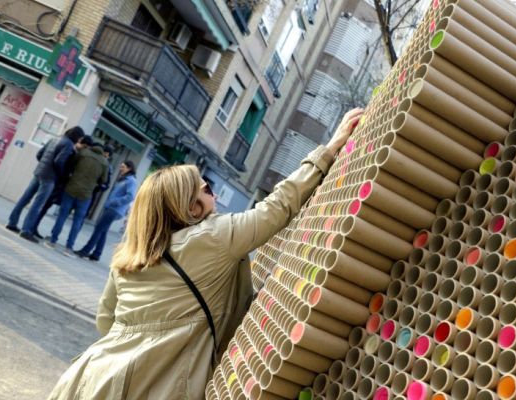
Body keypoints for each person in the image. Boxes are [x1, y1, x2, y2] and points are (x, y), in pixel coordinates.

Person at [48, 108, 363, 400]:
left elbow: (106, 321)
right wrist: (330, 148)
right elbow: (277, 207)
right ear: (189, 207)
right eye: (206, 189)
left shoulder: (128, 257)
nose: (212, 194)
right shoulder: (211, 238)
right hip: (155, 386)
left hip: (91, 377)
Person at [6, 127, 85, 243]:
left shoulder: (54, 139)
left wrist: (44, 165)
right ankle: (26, 230)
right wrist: (62, 175)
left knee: (25, 198)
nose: (78, 141)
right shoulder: (68, 144)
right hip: (49, 178)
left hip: (39, 172)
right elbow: (59, 161)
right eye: (79, 138)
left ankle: (12, 222)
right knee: (38, 204)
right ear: (76, 136)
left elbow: (39, 154)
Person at [45, 140, 109, 256]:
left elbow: (71, 166)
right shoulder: (104, 162)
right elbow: (103, 180)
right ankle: (69, 248)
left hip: (71, 189)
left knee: (62, 216)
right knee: (77, 221)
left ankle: (52, 241)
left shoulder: (83, 153)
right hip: (86, 195)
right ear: (102, 150)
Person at [31, 135, 94, 239]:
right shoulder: (70, 150)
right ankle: (32, 227)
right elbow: (61, 164)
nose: (85, 150)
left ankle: (34, 227)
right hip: (56, 182)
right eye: (85, 147)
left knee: (46, 206)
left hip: (59, 184)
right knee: (44, 206)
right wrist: (65, 175)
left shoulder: (75, 152)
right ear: (83, 144)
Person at [76, 160, 137, 262]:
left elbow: (130, 196)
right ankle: (97, 254)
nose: (120, 168)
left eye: (123, 167)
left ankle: (85, 251)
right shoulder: (123, 179)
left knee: (98, 229)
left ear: (129, 168)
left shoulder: (131, 180)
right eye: (121, 166)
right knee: (102, 231)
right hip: (111, 208)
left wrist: (115, 202)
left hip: (115, 209)